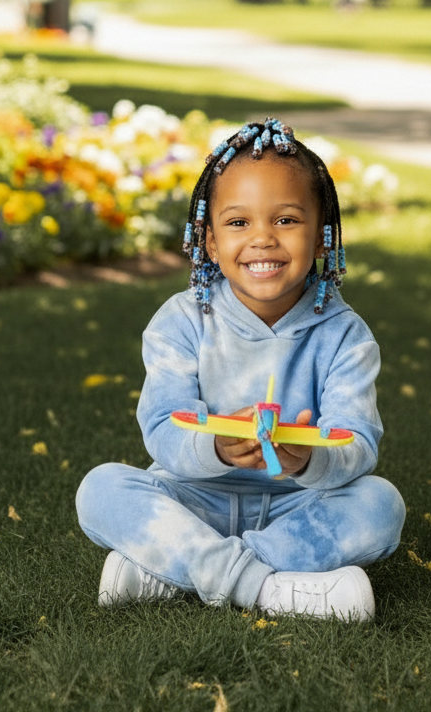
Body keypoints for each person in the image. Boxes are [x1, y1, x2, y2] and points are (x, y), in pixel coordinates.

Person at [76, 118, 406, 622]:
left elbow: (356, 443)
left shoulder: (345, 335)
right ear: (208, 241)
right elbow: (164, 428)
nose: (263, 240)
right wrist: (216, 446)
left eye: (286, 221)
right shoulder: (180, 322)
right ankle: (273, 590)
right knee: (101, 488)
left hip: (297, 507)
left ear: (321, 238)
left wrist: (305, 459)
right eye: (238, 223)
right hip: (194, 497)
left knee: (380, 505)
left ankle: (173, 573)